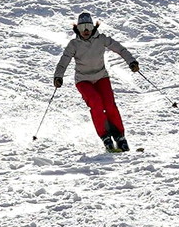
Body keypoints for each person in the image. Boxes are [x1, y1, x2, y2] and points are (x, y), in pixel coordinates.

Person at [54, 11, 139, 152]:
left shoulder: (101, 39)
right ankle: (105, 136)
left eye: (88, 26)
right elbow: (64, 61)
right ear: (77, 29)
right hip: (83, 80)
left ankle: (119, 136)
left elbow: (120, 49)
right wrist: (58, 76)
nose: (86, 30)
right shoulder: (74, 44)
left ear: (93, 27)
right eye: (82, 27)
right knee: (96, 102)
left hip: (101, 77)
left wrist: (131, 62)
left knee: (109, 104)